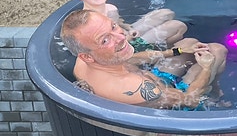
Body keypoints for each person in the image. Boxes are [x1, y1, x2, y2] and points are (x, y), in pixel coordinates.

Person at [60, 9, 228, 110]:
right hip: (175, 103)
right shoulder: (138, 89)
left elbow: (130, 60)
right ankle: (214, 96)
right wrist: (206, 67)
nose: (121, 37)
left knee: (188, 43)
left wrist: (176, 51)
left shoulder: (84, 62)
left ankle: (212, 87)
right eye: (105, 40)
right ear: (87, 56)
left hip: (156, 81)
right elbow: (190, 100)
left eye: (113, 26)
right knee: (217, 51)